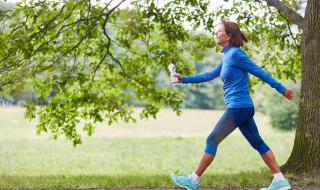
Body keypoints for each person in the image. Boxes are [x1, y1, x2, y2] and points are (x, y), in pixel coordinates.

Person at [170, 19, 293, 190]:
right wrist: (184, 79)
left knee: (212, 139)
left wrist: (280, 88)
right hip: (242, 108)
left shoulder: (237, 54)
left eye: (219, 31)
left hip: (238, 107)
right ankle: (280, 181)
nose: (216, 33)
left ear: (228, 35)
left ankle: (193, 180)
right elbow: (209, 75)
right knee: (257, 143)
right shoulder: (227, 57)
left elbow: (259, 72)